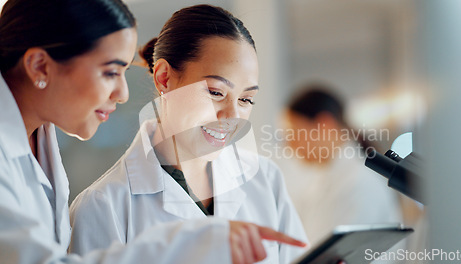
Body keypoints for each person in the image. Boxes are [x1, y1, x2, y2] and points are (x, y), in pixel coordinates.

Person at [0, 1, 305, 264]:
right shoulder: (103, 203)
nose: (122, 92)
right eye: (214, 92)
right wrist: (187, 243)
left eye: (247, 99)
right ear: (164, 79)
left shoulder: (265, 179)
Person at [278, 85, 402, 244]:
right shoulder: (323, 179)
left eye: (292, 133)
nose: (289, 145)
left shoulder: (359, 182)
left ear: (324, 124)